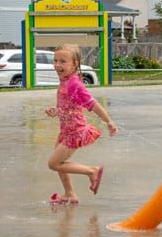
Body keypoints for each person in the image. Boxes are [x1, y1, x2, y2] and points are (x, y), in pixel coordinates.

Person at [45, 44, 117, 205]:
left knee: (54, 164)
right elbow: (70, 106)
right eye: (55, 60)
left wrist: (108, 121)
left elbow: (93, 104)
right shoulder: (65, 80)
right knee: (59, 165)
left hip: (75, 132)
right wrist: (56, 111)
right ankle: (70, 194)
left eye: (63, 61)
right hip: (65, 131)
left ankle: (92, 171)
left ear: (75, 64)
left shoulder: (74, 84)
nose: (57, 65)